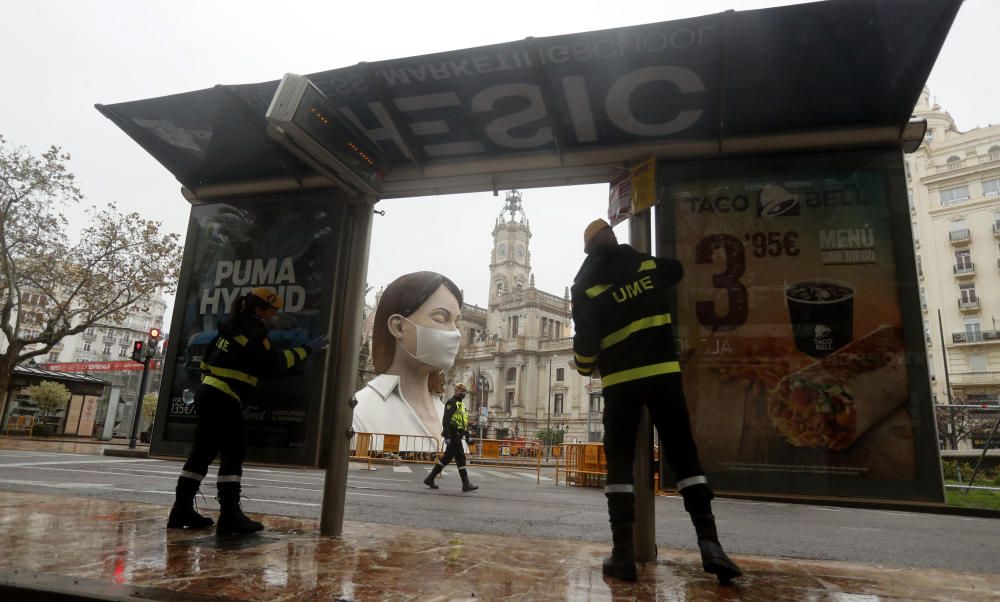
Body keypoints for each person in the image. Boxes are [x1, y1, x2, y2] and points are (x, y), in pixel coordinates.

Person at [571, 219, 742, 583]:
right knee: (684, 457)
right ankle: (710, 544)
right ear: (613, 239)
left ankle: (623, 554)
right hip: (664, 374)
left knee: (619, 466)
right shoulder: (646, 266)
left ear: (588, 251)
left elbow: (586, 347)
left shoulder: (584, 286)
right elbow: (677, 271)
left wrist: (586, 367)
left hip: (620, 384)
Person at [167, 287, 330, 535]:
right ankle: (230, 516)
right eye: (271, 311)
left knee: (201, 455)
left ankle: (181, 510)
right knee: (233, 455)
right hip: (225, 399)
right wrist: (307, 349)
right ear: (258, 309)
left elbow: (206, 361)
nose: (273, 317)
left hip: (208, 394)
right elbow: (275, 364)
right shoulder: (254, 332)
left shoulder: (229, 326)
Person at [353, 272, 463, 459]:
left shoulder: (446, 410)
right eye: (440, 318)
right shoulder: (357, 414)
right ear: (398, 327)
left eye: (457, 323)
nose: (456, 334)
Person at [423, 382, 478, 492]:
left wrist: (467, 437)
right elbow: (446, 420)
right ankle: (466, 484)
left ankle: (430, 478)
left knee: (446, 459)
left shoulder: (461, 405)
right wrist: (447, 436)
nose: (462, 393)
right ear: (456, 391)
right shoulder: (451, 402)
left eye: (464, 392)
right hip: (453, 435)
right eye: (460, 391)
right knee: (460, 458)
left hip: (457, 434)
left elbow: (462, 423)